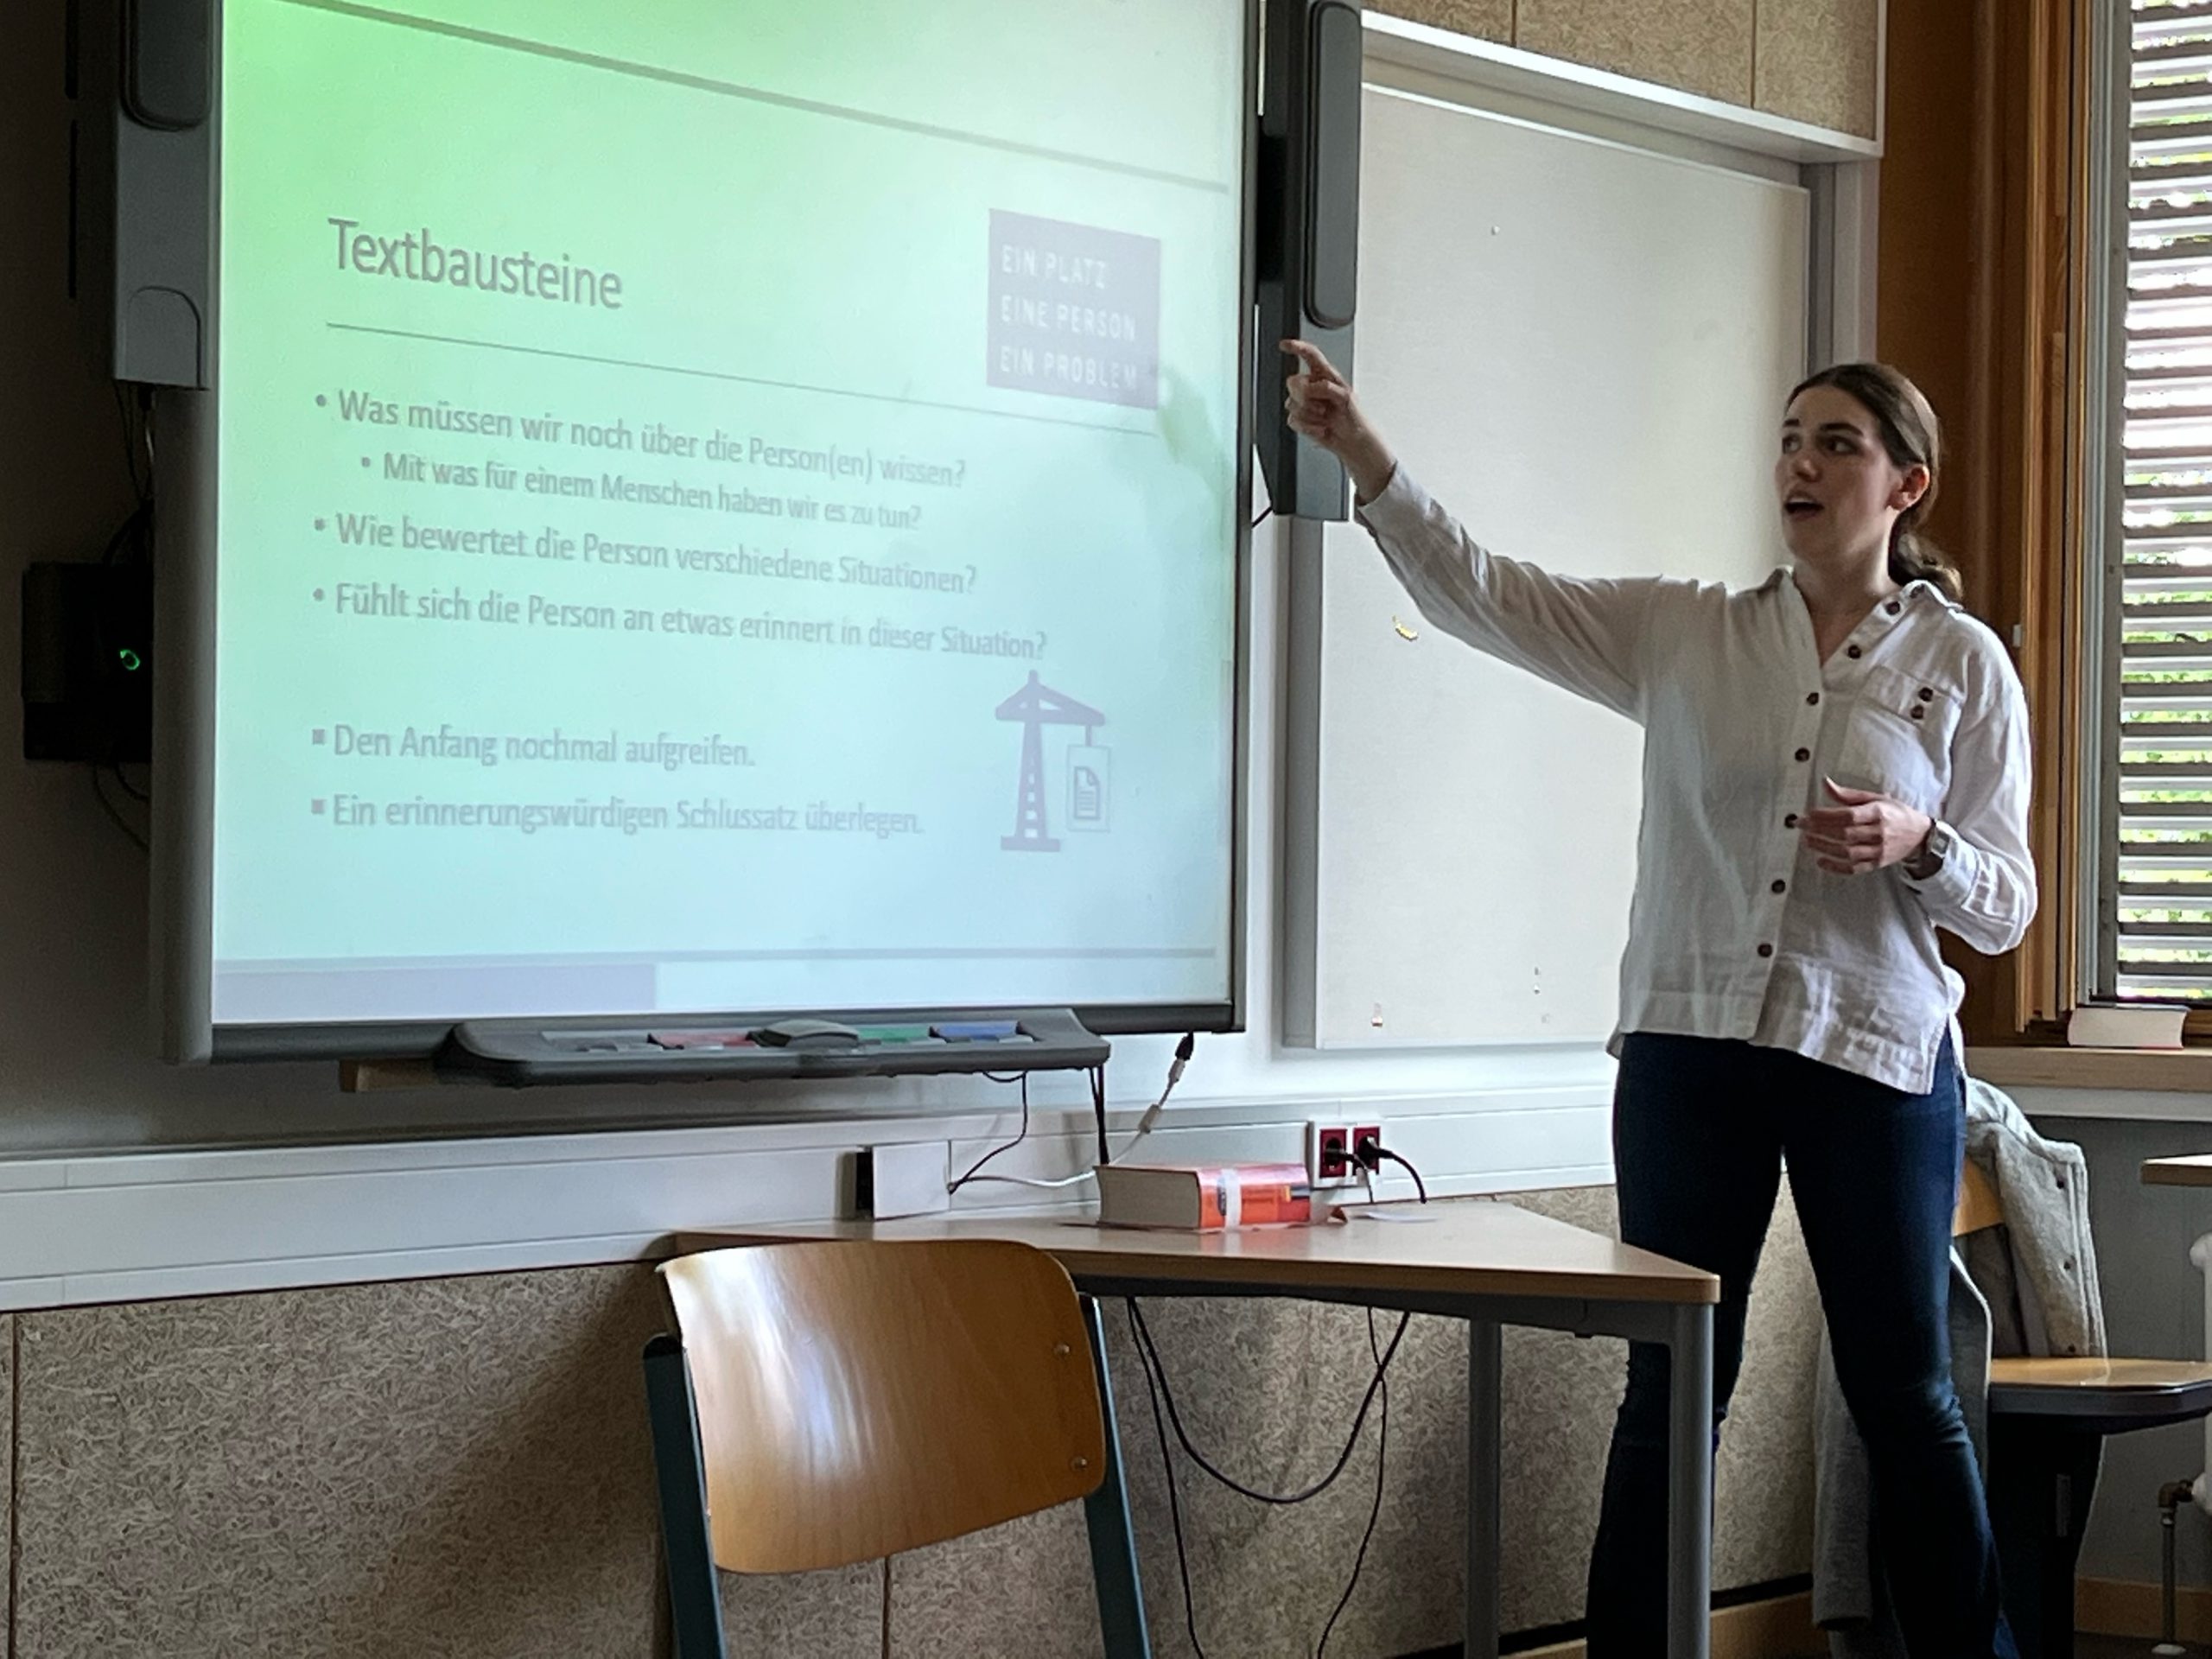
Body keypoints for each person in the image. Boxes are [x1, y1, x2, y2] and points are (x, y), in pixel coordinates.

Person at [1283, 340, 2032, 1657]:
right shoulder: (1689, 631)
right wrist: (1362, 451)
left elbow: (2006, 906)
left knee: (1904, 1394)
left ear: (1906, 484)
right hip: (1691, 1049)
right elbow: (1485, 592)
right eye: (1790, 439)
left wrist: (1922, 843)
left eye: (1837, 443)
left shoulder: (1962, 662)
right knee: (1673, 1384)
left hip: (1874, 1055)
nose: (1801, 463)